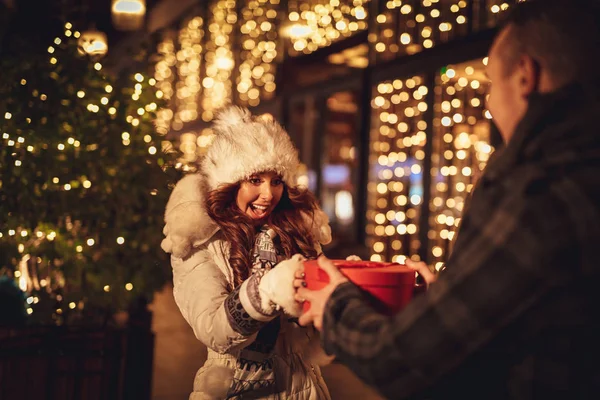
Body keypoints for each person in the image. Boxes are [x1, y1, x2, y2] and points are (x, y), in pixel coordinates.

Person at [295, 0, 600, 399]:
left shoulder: (540, 194)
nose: (490, 103)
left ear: (525, 76)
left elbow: (396, 360)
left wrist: (337, 305)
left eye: (492, 83)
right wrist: (452, 296)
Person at [161, 106, 333, 399]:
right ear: (230, 184)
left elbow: (316, 329)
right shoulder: (202, 243)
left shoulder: (295, 233)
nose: (268, 194)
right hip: (234, 388)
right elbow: (213, 329)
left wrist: (343, 288)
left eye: (276, 181)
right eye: (255, 180)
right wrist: (264, 292)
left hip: (303, 388)